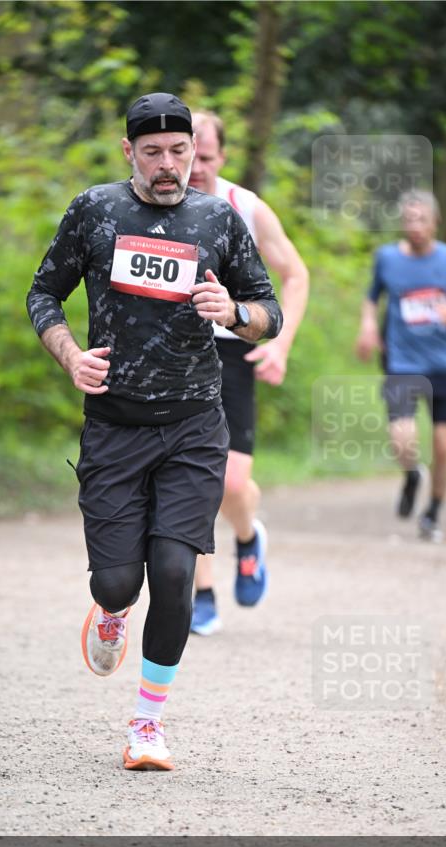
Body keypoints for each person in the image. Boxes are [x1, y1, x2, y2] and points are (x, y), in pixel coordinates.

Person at [27, 93, 282, 770]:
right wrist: (69, 353)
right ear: (129, 153)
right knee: (117, 583)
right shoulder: (96, 210)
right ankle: (110, 612)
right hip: (113, 427)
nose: (170, 166)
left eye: (181, 151)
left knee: (173, 572)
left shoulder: (217, 219)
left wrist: (233, 309)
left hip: (195, 425)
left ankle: (147, 725)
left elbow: (269, 311)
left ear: (194, 149)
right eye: (154, 153)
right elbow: (43, 292)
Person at [188, 111, 308, 635]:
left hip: (233, 348)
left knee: (233, 483)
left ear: (222, 156)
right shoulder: (146, 205)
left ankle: (246, 536)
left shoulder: (245, 207)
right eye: (183, 155)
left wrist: (280, 346)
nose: (192, 169)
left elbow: (295, 274)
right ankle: (202, 592)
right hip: (174, 353)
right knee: (188, 480)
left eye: (204, 158)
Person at [356, 190, 446, 543]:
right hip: (403, 362)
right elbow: (371, 299)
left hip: (445, 364)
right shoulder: (387, 258)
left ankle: (433, 512)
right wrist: (368, 326)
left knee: (445, 447)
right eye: (408, 219)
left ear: (435, 221)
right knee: (402, 439)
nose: (414, 226)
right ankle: (412, 474)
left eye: (421, 219)